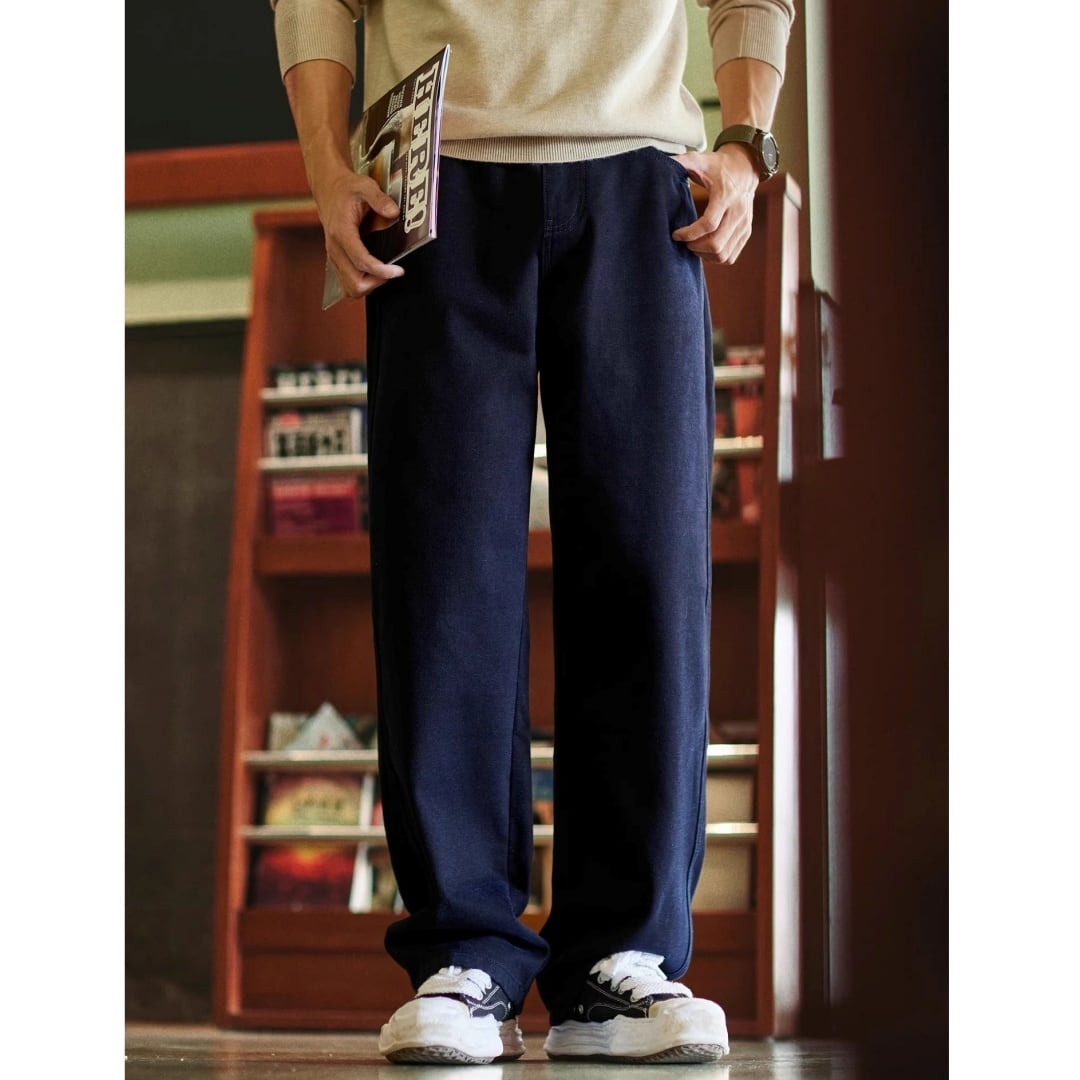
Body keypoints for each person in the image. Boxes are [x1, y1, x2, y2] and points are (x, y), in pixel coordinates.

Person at [269, 0, 794, 1065]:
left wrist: (746, 140)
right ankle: (463, 952)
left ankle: (620, 964)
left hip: (641, 175)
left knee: (649, 574)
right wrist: (325, 164)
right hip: (433, 176)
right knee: (442, 577)